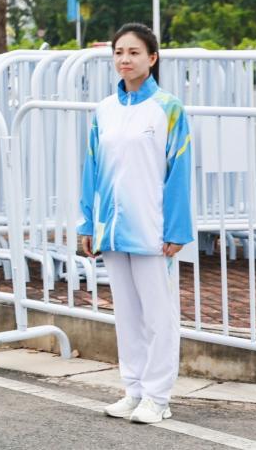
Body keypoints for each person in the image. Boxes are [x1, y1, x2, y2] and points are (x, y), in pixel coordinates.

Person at [79, 22, 193, 425]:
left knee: (159, 316)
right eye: (119, 53)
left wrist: (177, 230)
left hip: (153, 229)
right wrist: (86, 223)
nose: (125, 59)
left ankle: (158, 397)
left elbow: (179, 172)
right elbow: (90, 170)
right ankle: (134, 390)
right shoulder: (104, 111)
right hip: (112, 229)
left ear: (152, 58)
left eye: (133, 52)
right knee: (126, 313)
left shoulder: (169, 108)